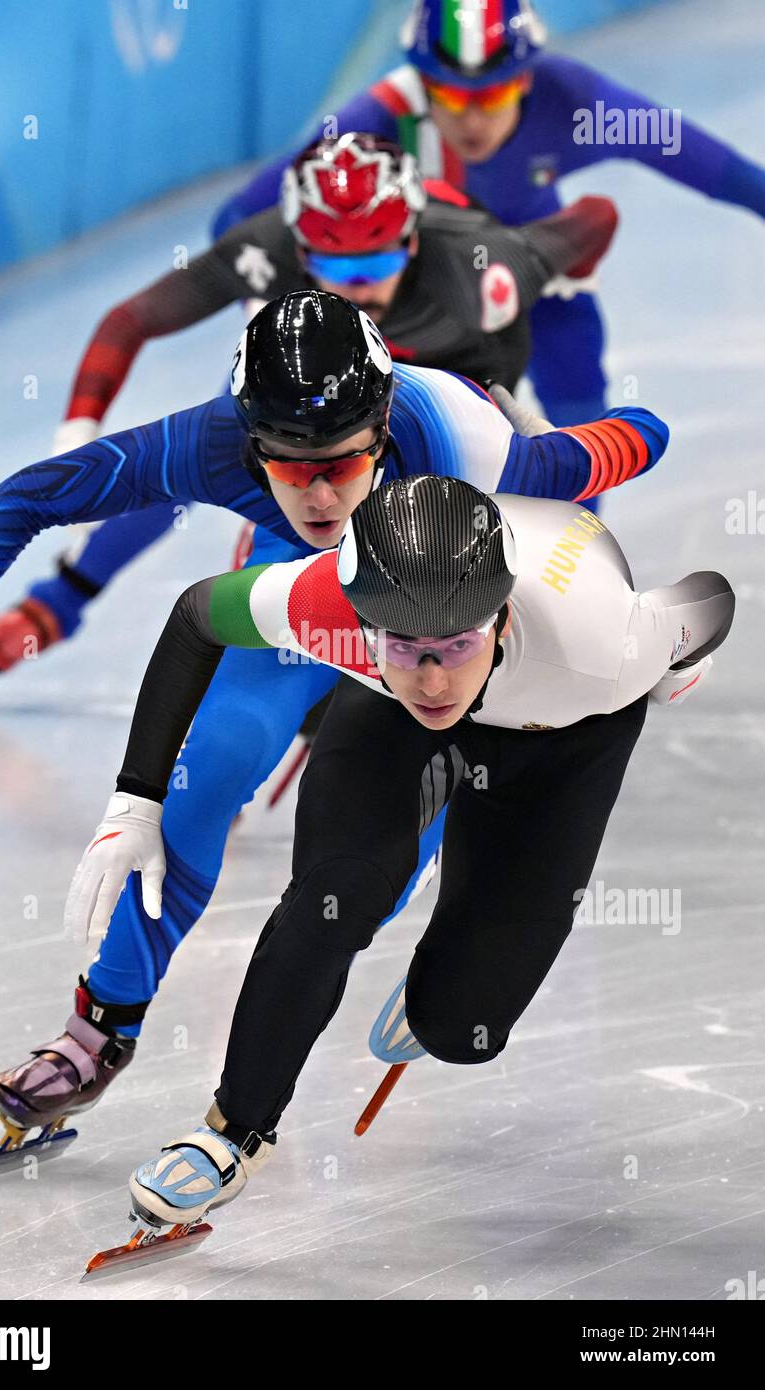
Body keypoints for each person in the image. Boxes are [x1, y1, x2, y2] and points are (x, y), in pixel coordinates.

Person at [0, 291, 667, 1153]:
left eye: (340, 464)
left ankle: (445, 973)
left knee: (367, 870)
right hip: (295, 600)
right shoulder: (213, 440)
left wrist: (628, 609)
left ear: (382, 431)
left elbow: (634, 437)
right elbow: (27, 498)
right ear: (248, 440)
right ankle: (98, 1031)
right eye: (286, 465)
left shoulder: (468, 446)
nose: (316, 492)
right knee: (216, 763)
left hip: (416, 643)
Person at [63, 474, 734, 1254]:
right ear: (361, 623)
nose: (434, 678)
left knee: (463, 1029)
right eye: (407, 648)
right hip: (392, 724)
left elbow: (709, 598)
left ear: (502, 615)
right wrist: (136, 801)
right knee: (330, 901)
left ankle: (438, 991)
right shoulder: (321, 604)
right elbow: (194, 617)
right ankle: (234, 1132)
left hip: (566, 726)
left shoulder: (610, 643)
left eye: (455, 646)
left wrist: (674, 668)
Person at [0, 132, 617, 683]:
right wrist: (77, 427)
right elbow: (131, 320)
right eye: (335, 261)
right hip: (317, 374)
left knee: (523, 476)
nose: (358, 284)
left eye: (379, 257)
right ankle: (58, 603)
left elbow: (595, 217)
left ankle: (574, 601)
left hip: (458, 372)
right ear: (300, 252)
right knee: (199, 448)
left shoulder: (484, 261)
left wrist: (571, 271)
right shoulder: (263, 247)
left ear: (413, 241)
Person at [213, 0, 765, 429]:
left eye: (494, 94)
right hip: (415, 295)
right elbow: (236, 217)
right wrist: (271, 309)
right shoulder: (377, 121)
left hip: (535, 271)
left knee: (577, 416)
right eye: (451, 98)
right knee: (239, 425)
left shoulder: (575, 102)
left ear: (526, 79)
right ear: (423, 83)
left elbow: (716, 168)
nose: (473, 119)